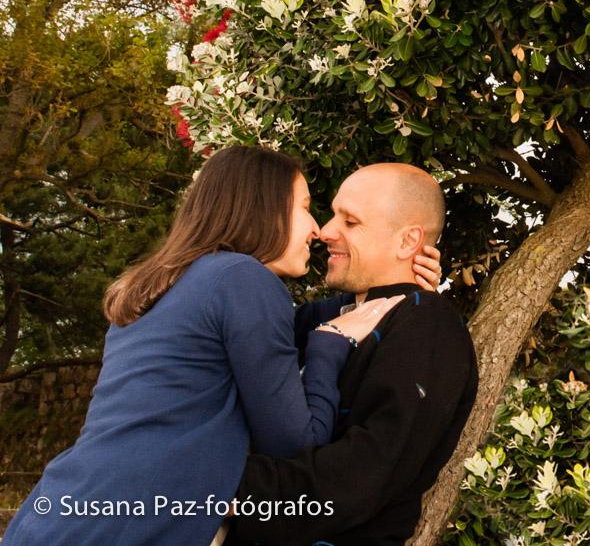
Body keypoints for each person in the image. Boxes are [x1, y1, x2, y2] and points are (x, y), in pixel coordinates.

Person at [3, 148, 441, 546]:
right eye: (306, 208)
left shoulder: (169, 283)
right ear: (261, 207)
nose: (316, 229)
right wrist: (332, 344)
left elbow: (285, 329)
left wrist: (390, 285)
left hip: (67, 511)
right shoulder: (243, 279)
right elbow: (295, 441)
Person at [225, 163, 478, 546]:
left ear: (408, 241)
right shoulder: (329, 316)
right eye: (332, 215)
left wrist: (221, 485)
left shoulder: (429, 327)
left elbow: (362, 474)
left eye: (351, 222)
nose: (325, 231)